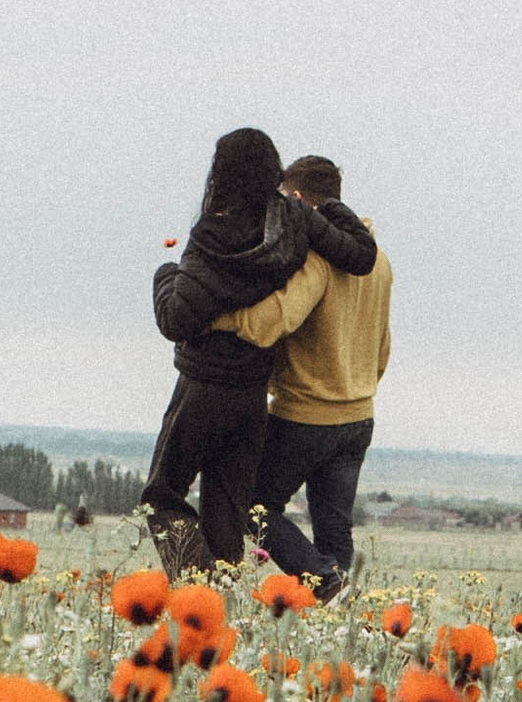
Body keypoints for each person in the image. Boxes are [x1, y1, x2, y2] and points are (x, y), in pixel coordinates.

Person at [144, 131, 375, 572]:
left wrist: (165, 274)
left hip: (203, 387)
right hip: (252, 395)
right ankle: (222, 608)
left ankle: (198, 593)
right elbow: (361, 255)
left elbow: (175, 320)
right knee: (227, 514)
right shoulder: (296, 222)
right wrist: (326, 205)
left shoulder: (211, 235)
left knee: (161, 498)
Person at [215, 153, 392, 584]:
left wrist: (213, 316)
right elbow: (383, 347)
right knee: (335, 529)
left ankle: (318, 577)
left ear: (296, 198)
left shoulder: (318, 260)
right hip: (359, 416)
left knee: (251, 505)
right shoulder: (379, 261)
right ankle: (338, 614)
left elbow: (275, 319)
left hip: (306, 416)